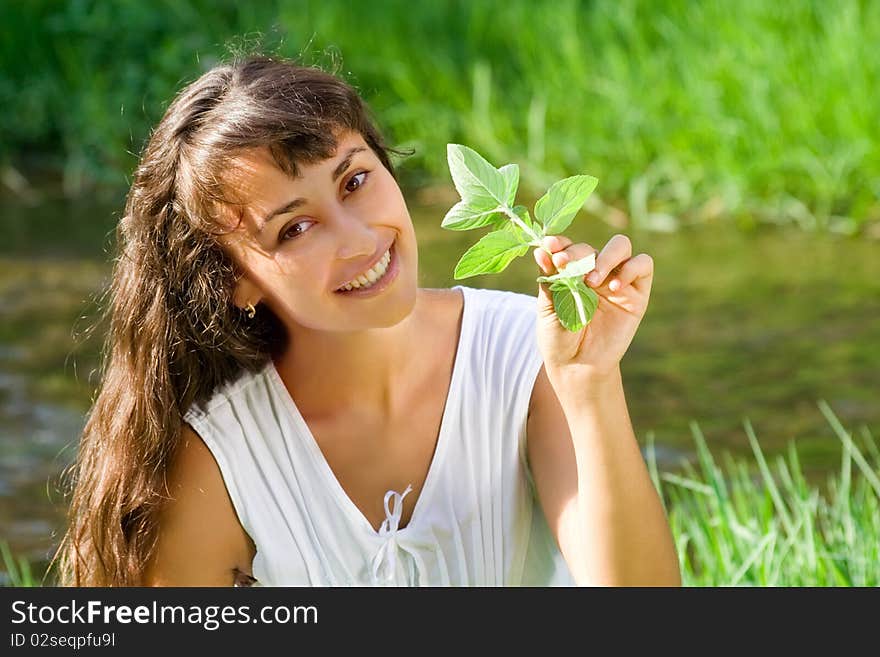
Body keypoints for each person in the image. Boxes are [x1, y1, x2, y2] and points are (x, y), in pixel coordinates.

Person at [54, 54, 680, 587]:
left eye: (354, 180)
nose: (357, 239)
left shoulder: (525, 353)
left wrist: (589, 383)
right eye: (295, 227)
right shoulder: (219, 454)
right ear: (235, 280)